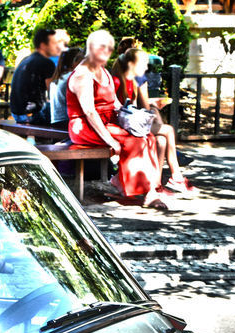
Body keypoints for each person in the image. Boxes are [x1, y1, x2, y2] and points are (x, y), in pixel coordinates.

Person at [67, 30, 167, 208]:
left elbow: (115, 103)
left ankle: (138, 185)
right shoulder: (83, 74)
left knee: (149, 138)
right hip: (85, 126)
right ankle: (146, 193)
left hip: (108, 122)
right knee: (134, 141)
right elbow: (89, 112)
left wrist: (134, 118)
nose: (107, 53)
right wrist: (110, 140)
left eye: (109, 49)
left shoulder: (103, 72)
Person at [113, 47, 192, 193]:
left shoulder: (122, 76)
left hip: (125, 121)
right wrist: (153, 105)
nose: (145, 67)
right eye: (143, 64)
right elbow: (143, 106)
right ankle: (176, 177)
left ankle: (156, 185)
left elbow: (133, 105)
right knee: (168, 130)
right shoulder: (134, 79)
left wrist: (151, 105)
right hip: (125, 125)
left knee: (161, 141)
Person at [8, 27, 68, 125]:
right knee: (67, 116)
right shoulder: (47, 62)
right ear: (43, 46)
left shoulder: (27, 59)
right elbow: (53, 92)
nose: (57, 47)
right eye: (53, 43)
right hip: (32, 115)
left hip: (16, 112)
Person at [47, 47, 83, 131]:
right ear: (74, 62)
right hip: (67, 123)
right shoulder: (72, 77)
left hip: (56, 122)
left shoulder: (59, 78)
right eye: (82, 61)